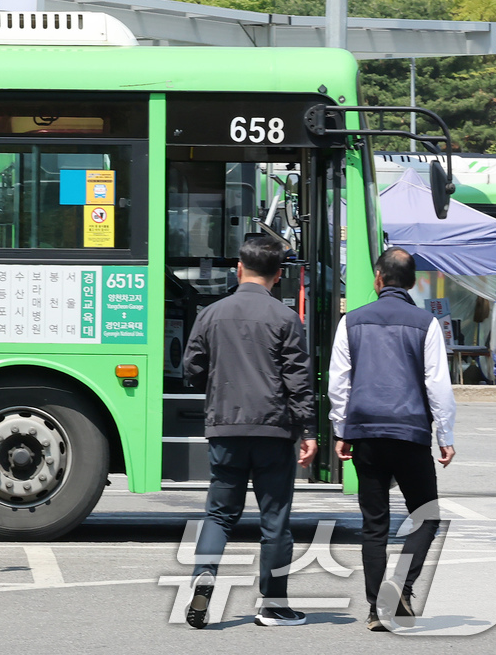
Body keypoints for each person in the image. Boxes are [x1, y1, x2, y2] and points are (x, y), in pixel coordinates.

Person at [183, 235, 317, 629]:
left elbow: (191, 369)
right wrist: (308, 429)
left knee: (219, 514)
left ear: (239, 269)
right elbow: (298, 379)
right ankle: (273, 606)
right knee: (275, 519)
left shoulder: (211, 314)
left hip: (224, 428)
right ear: (278, 276)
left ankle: (203, 575)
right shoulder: (285, 318)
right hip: (275, 431)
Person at [328, 247, 456, 632]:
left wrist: (341, 429)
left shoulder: (351, 321)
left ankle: (375, 609)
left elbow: (339, 382)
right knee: (426, 515)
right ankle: (401, 585)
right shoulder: (425, 323)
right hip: (411, 433)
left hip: (366, 432)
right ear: (413, 281)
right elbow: (438, 385)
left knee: (374, 525)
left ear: (378, 279)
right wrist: (444, 435)